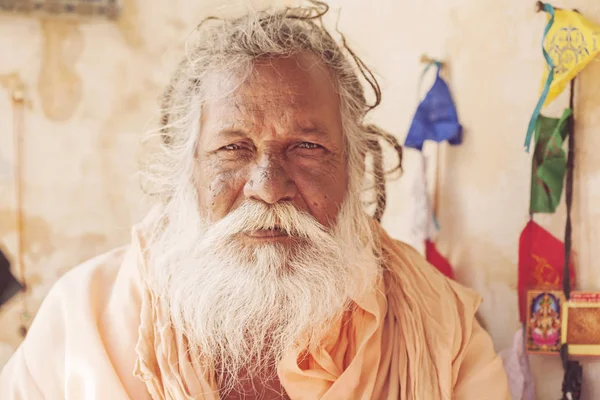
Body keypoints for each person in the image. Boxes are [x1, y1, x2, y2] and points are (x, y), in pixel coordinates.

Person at [0, 3, 509, 399]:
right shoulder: (80, 321)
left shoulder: (440, 331)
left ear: (352, 168)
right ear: (187, 170)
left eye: (307, 148)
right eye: (232, 148)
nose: (268, 186)